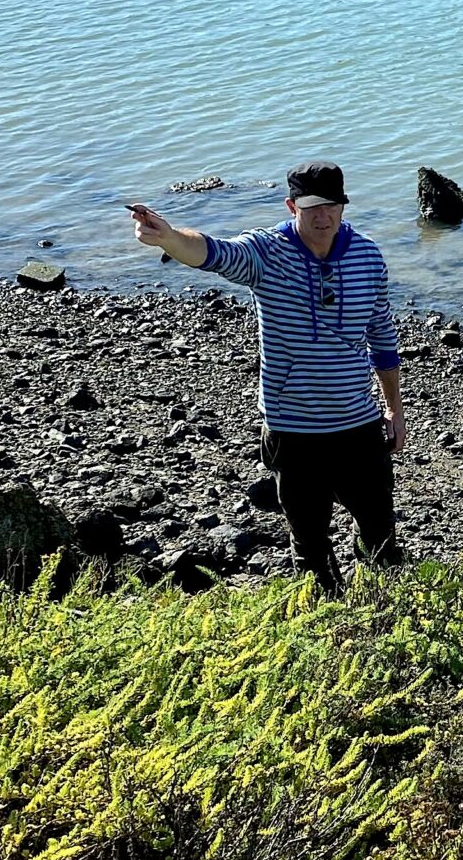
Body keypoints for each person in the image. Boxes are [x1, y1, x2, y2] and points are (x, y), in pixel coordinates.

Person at [129, 160, 406, 591]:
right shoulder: (266, 253)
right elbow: (214, 252)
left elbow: (382, 336)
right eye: (311, 207)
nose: (322, 217)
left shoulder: (367, 256)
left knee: (380, 535)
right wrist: (168, 237)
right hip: (293, 431)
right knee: (310, 545)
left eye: (331, 206)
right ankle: (325, 624)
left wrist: (394, 409)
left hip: (358, 423)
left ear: (342, 206)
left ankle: (383, 610)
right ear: (291, 206)